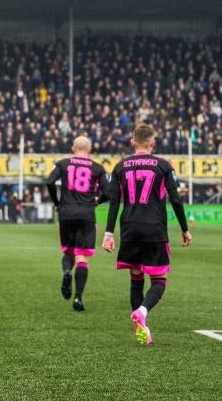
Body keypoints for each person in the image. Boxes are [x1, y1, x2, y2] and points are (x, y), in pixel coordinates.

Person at [102, 124, 192, 345]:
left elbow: (114, 202)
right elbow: (175, 199)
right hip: (154, 229)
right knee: (159, 281)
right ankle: (142, 311)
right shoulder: (164, 165)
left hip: (130, 228)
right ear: (153, 143)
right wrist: (184, 229)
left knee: (135, 278)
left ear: (132, 142)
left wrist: (108, 232)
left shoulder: (120, 166)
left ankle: (141, 330)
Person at [45, 136, 110, 311]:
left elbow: (49, 181)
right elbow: (109, 191)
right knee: (82, 256)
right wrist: (98, 201)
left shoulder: (63, 163)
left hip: (66, 213)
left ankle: (67, 272)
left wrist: (57, 203)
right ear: (89, 150)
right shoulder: (98, 168)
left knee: (68, 251)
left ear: (73, 148)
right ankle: (78, 298)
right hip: (86, 214)